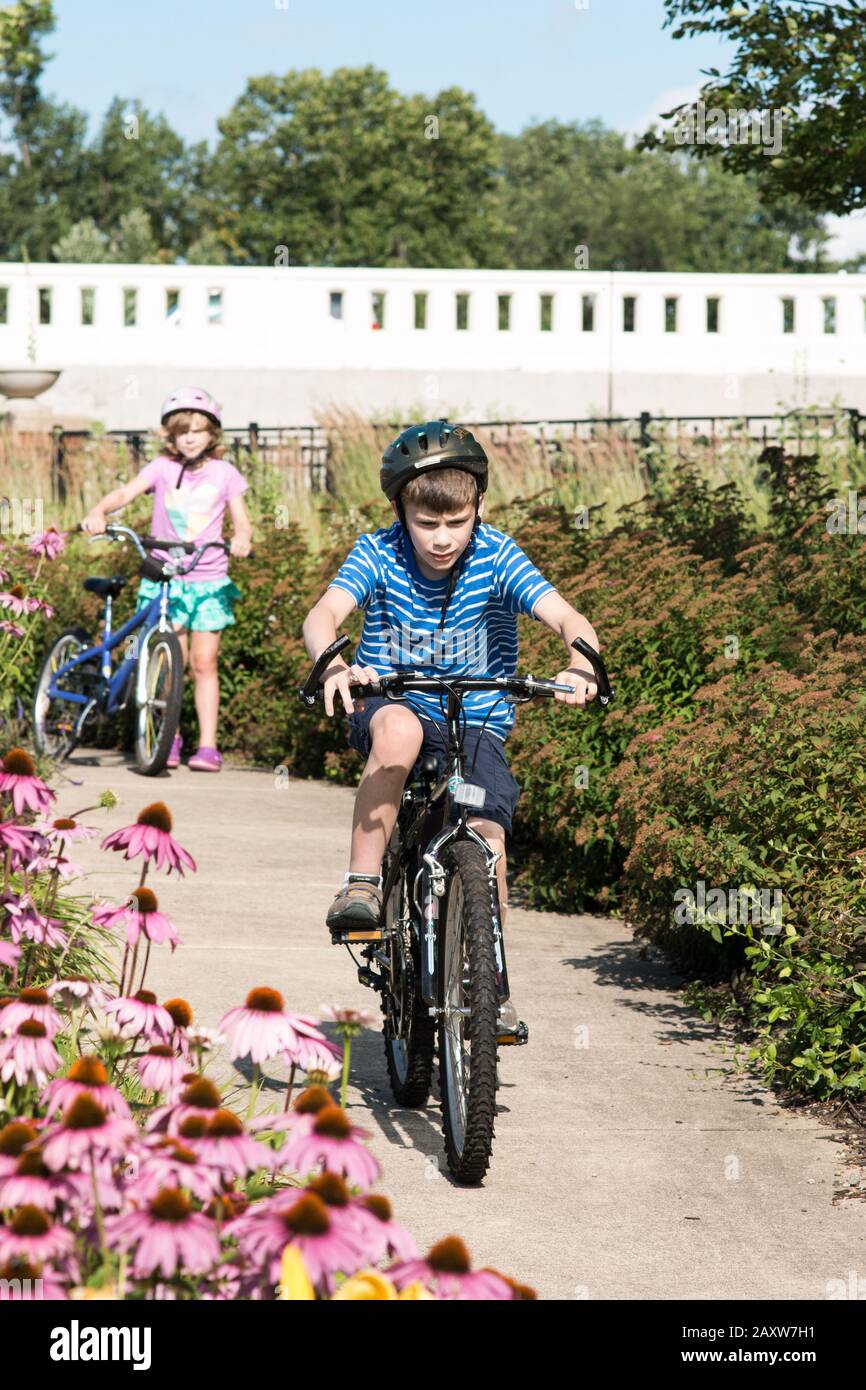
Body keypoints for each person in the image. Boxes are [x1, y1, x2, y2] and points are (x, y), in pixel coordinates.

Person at [302, 419, 602, 1019]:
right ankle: (362, 883)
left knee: (487, 833)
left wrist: (582, 664)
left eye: (456, 523)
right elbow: (322, 616)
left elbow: (570, 620)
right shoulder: (377, 553)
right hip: (392, 700)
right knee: (400, 732)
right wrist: (333, 665)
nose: (442, 538)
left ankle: (488, 983)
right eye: (426, 523)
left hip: (477, 717)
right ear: (400, 510)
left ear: (478, 507)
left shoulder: (497, 556)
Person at [80, 387, 253, 771]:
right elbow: (126, 492)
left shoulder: (225, 474)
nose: (189, 437)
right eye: (181, 431)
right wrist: (99, 510)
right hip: (164, 578)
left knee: (204, 662)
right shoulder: (160, 469)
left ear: (212, 434)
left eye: (197, 429)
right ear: (171, 436)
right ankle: (165, 736)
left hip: (208, 579)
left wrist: (241, 538)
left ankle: (207, 745)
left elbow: (241, 521)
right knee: (167, 660)